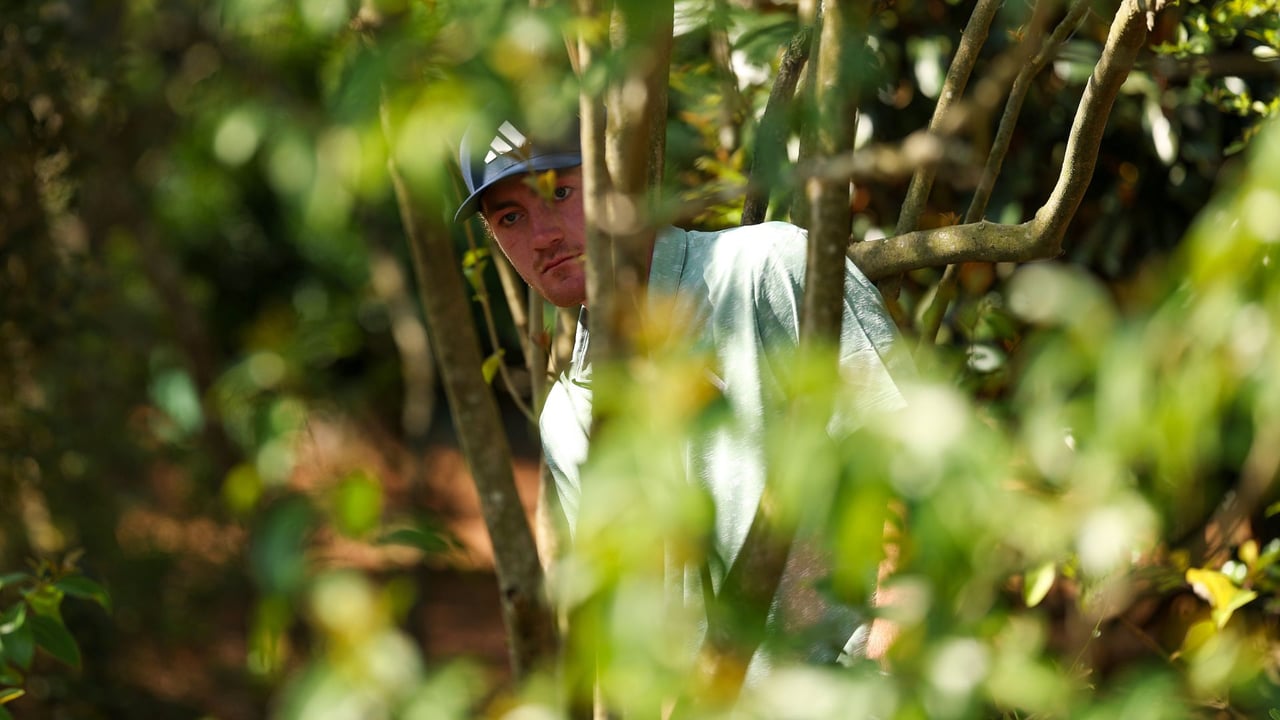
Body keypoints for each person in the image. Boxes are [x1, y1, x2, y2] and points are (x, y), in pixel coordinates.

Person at [454, 114, 909, 672]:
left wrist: (896, 649)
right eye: (510, 217)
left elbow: (905, 459)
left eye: (562, 192)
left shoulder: (769, 268)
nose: (542, 236)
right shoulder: (569, 417)